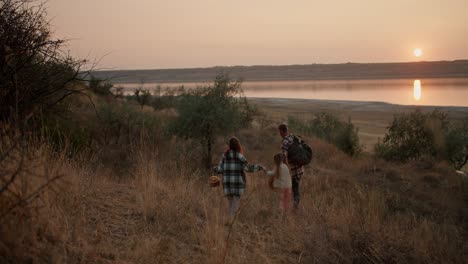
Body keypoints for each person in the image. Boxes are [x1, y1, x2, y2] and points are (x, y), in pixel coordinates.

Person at [214, 137, 264, 223]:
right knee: (235, 203)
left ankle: (229, 221)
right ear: (238, 145)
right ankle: (231, 222)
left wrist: (214, 168)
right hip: (237, 184)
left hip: (227, 184)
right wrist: (260, 167)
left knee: (230, 203)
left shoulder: (224, 156)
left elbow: (220, 169)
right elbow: (248, 168)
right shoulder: (240, 156)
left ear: (229, 146)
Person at [278, 124, 304, 209]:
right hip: (300, 169)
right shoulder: (293, 137)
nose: (279, 133)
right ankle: (295, 206)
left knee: (288, 190)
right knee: (296, 189)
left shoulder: (285, 142)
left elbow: (284, 156)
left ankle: (290, 208)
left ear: (282, 131)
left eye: (279, 131)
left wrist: (286, 169)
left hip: (291, 171)